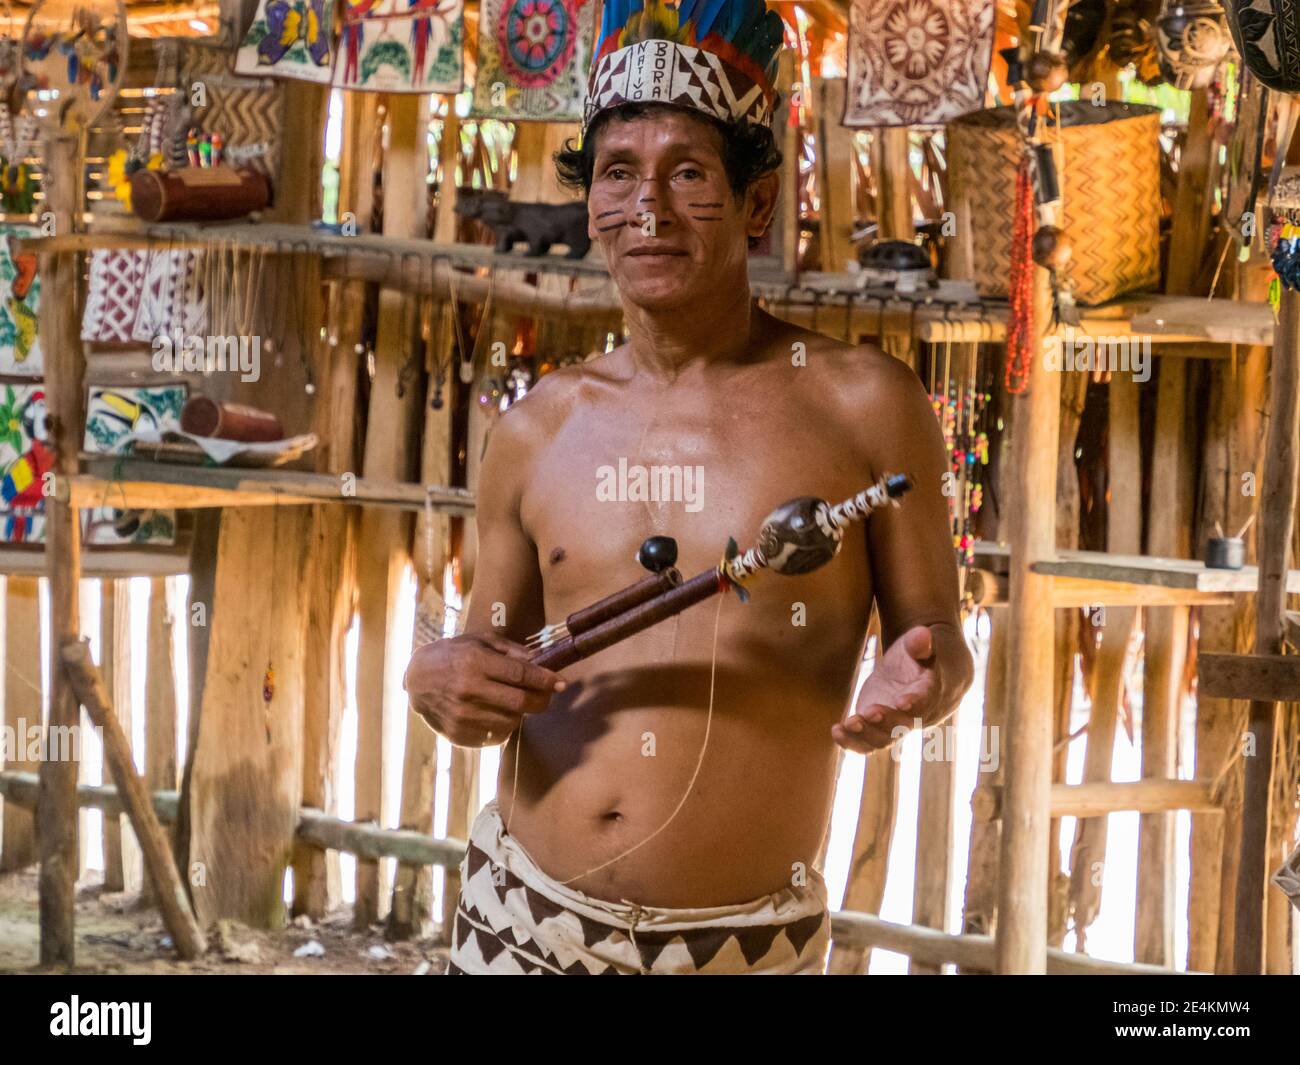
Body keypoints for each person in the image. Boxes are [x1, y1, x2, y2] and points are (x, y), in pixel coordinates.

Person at [404, 0, 974, 974]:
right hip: (518, 925)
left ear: (754, 206)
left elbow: (942, 651)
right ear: (589, 205)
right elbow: (487, 656)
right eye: (619, 174)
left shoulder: (862, 408)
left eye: (687, 175)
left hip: (742, 948)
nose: (648, 210)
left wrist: (917, 684)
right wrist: (435, 679)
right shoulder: (536, 429)